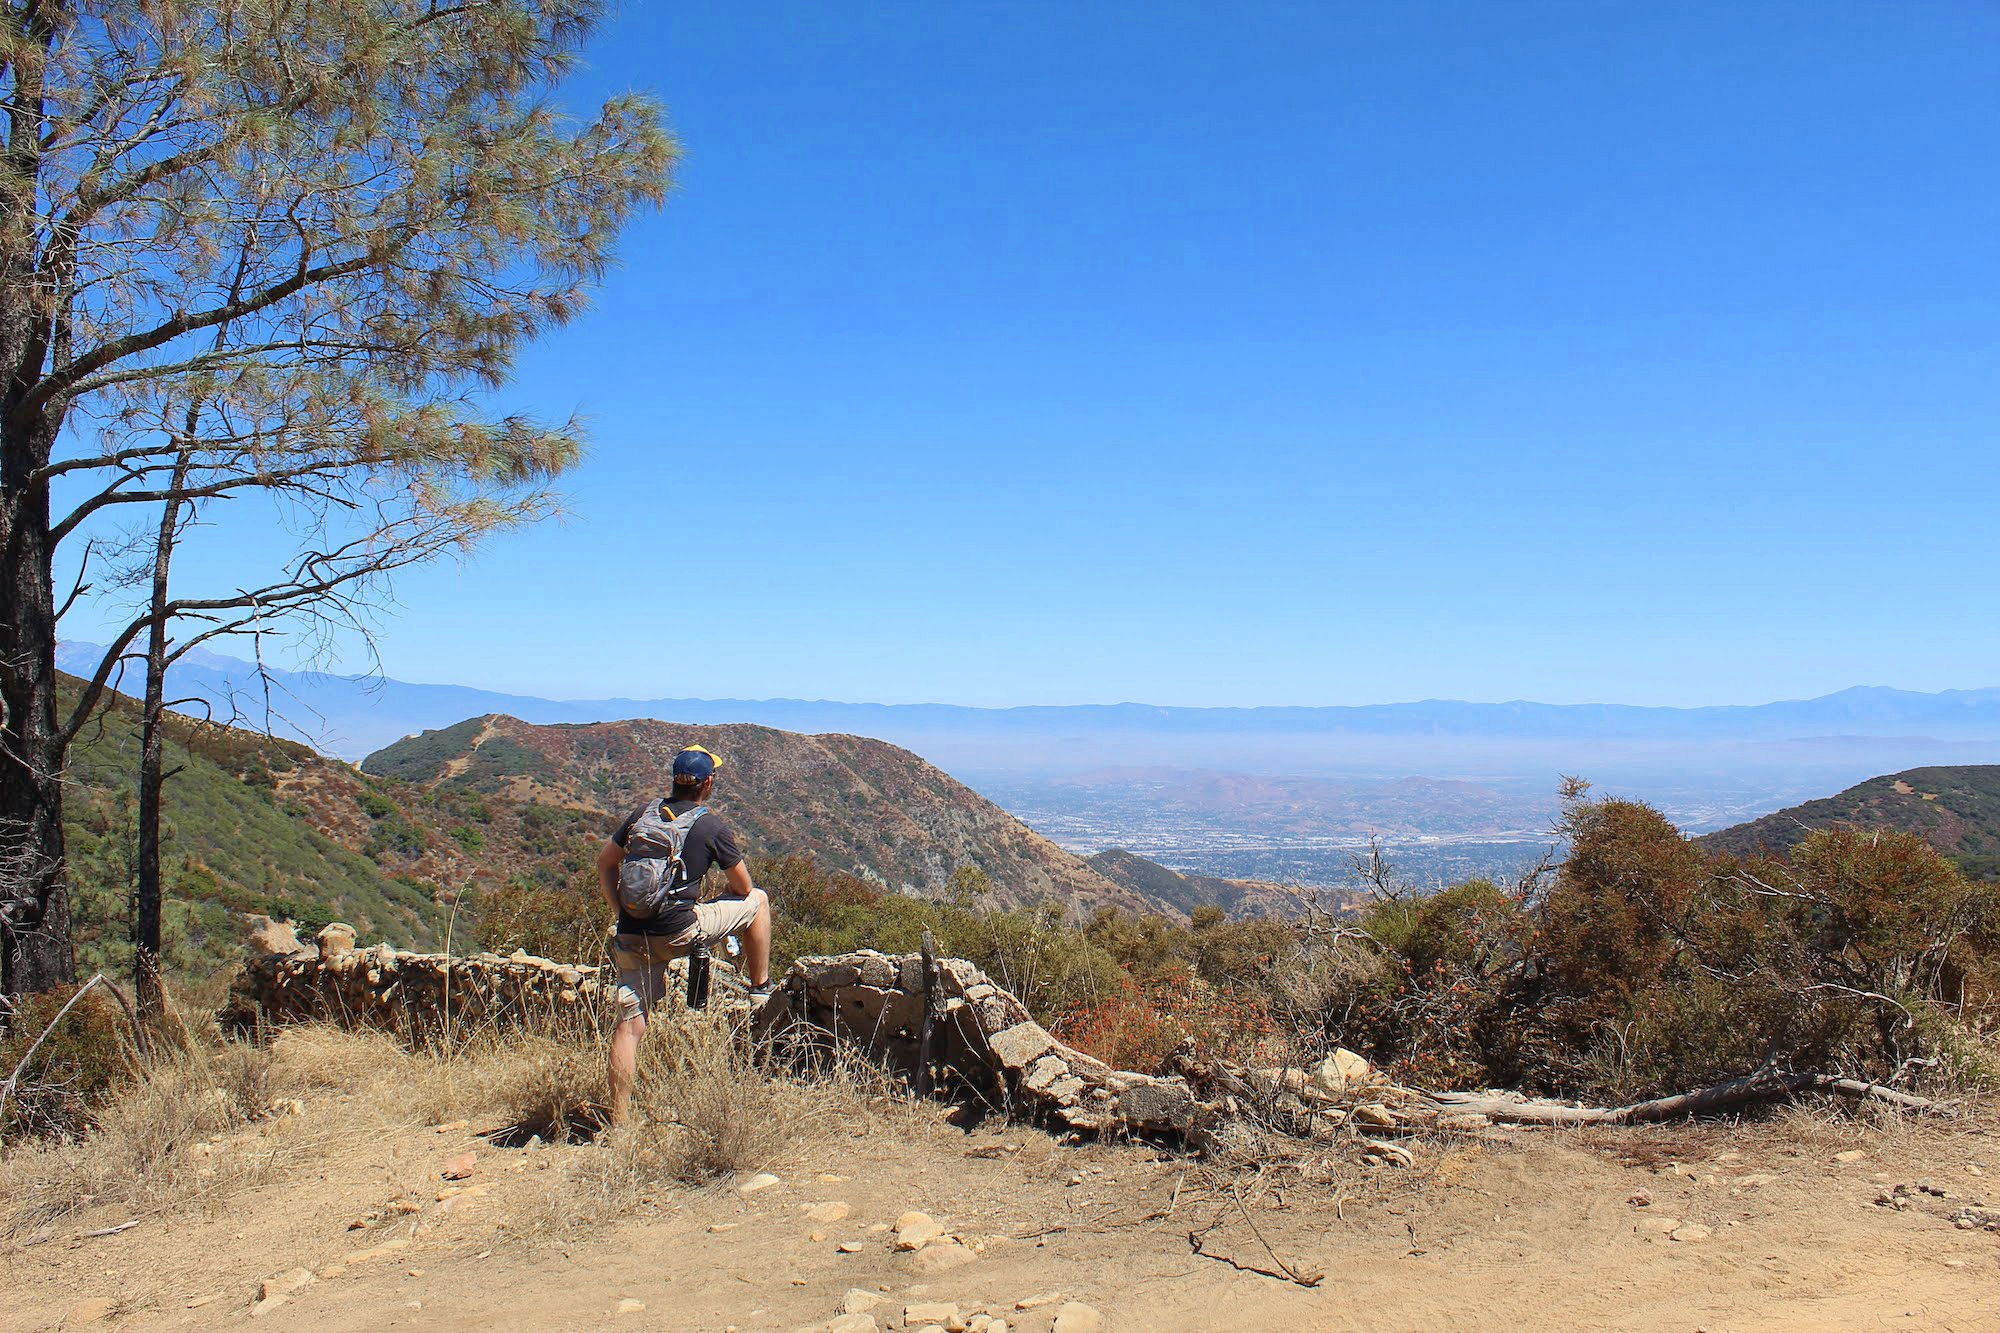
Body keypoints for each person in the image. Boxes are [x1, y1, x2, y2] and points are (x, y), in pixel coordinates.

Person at [598, 744, 773, 1125]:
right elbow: (743, 888)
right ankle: (760, 986)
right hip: (679, 933)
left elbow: (605, 862)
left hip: (631, 935)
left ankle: (619, 1124)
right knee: (759, 901)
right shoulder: (709, 825)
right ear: (707, 783)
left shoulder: (641, 815)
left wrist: (620, 912)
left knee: (629, 1028)